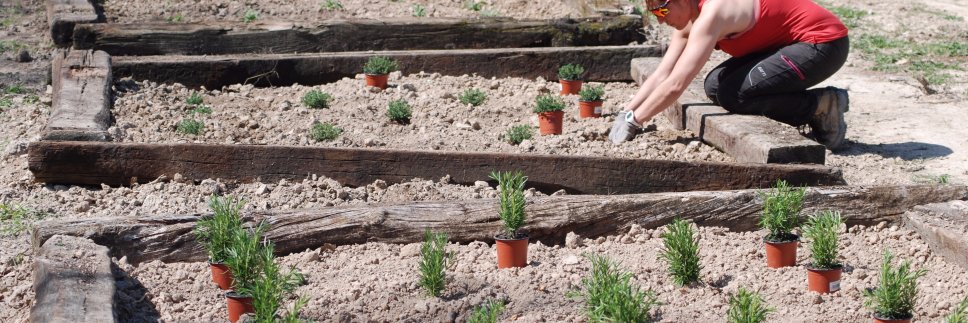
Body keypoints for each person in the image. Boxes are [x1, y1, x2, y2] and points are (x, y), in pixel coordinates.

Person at [610, 0, 851, 149]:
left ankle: (821, 105)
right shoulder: (689, 20)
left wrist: (636, 121)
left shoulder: (713, 12)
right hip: (790, 45)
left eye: (661, 11)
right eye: (654, 15)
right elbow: (664, 73)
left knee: (735, 95)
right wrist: (628, 111)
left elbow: (676, 84)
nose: (661, 21)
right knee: (715, 85)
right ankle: (810, 105)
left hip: (824, 44)